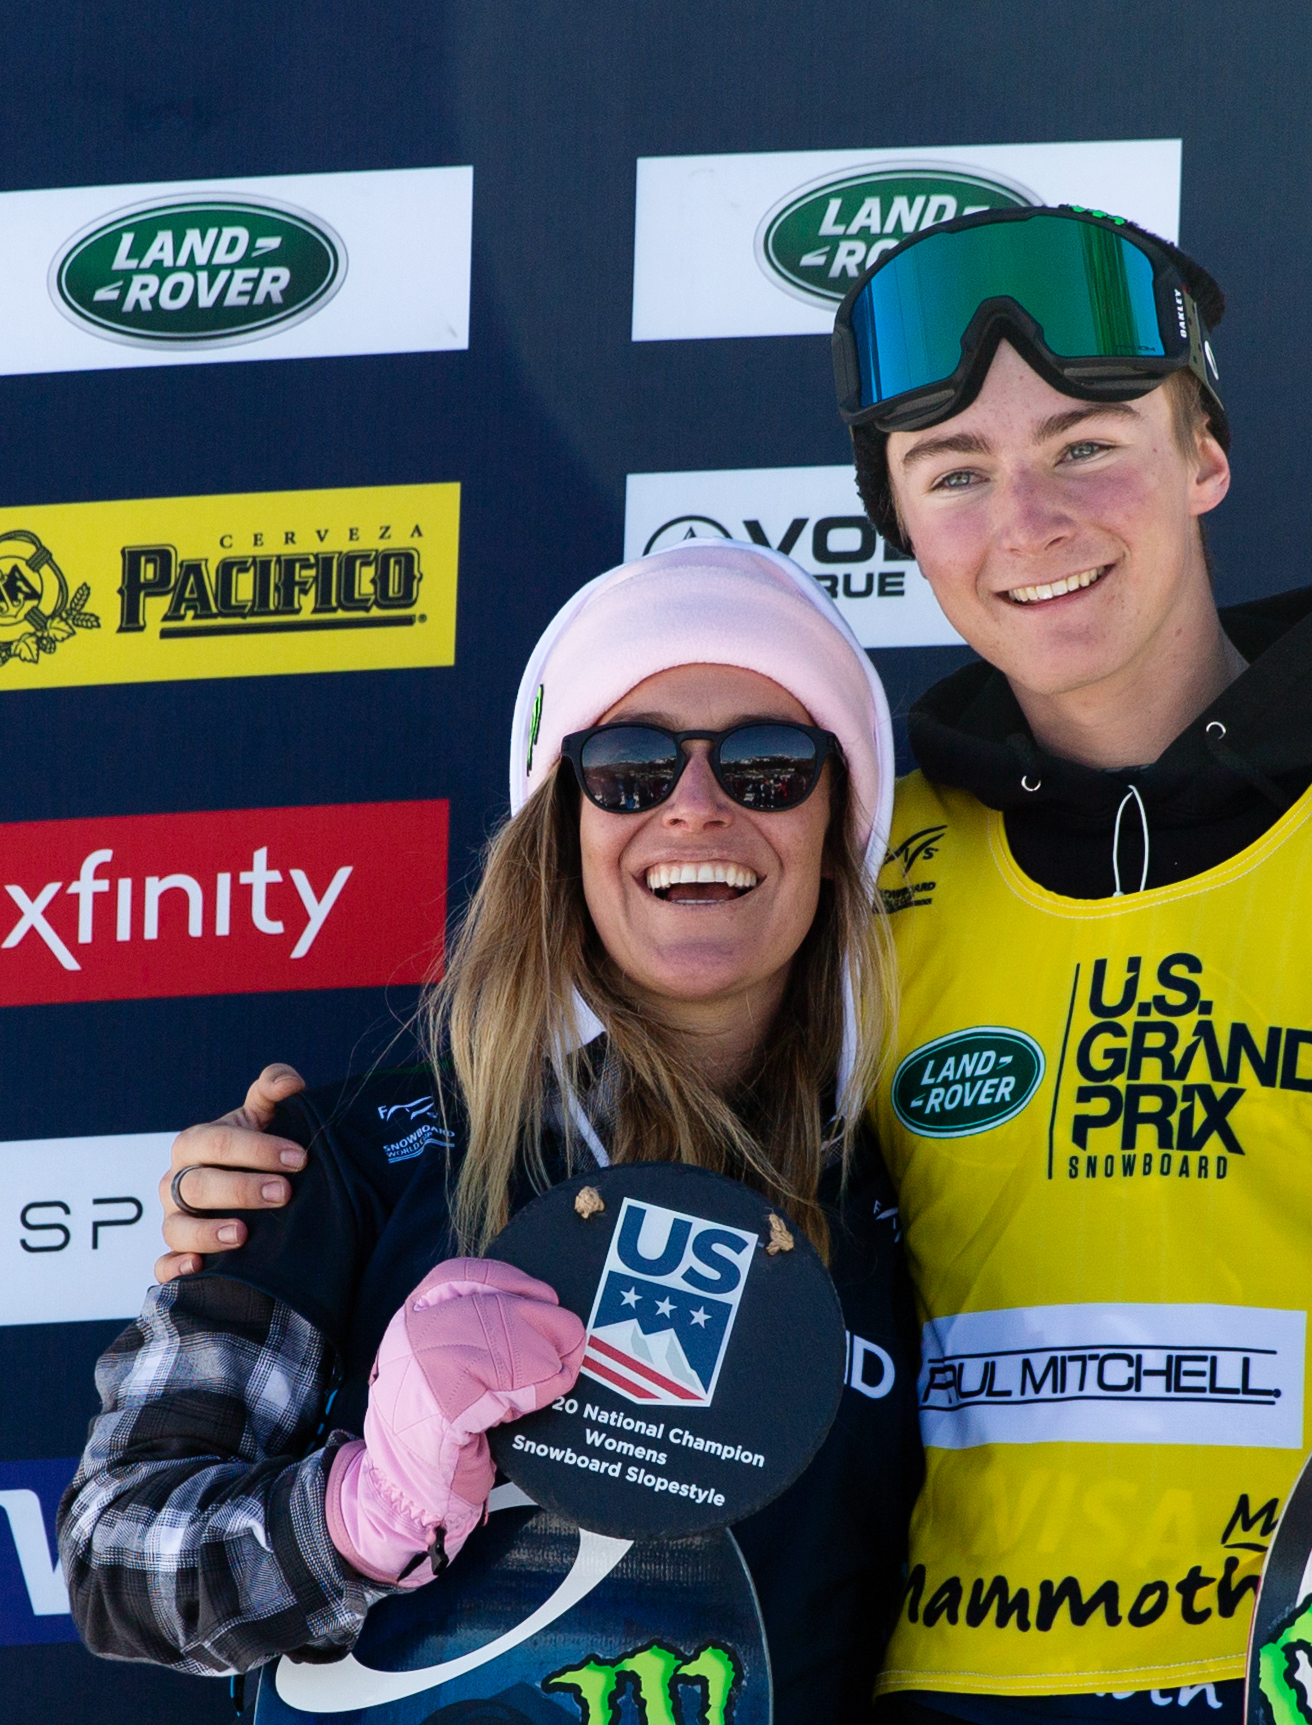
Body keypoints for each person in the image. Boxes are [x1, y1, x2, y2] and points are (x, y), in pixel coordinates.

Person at [154, 208, 1312, 1721]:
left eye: (1086, 444)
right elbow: (616, 1129)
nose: (1029, 518)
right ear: (902, 527)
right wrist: (287, 1208)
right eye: (956, 475)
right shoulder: (861, 863)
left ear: (1202, 457)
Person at [60, 543, 921, 1725]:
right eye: (629, 766)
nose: (696, 805)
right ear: (560, 822)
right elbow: (116, 1560)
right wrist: (363, 1510)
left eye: (770, 765)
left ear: (841, 824)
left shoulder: (909, 1194)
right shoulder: (351, 1159)